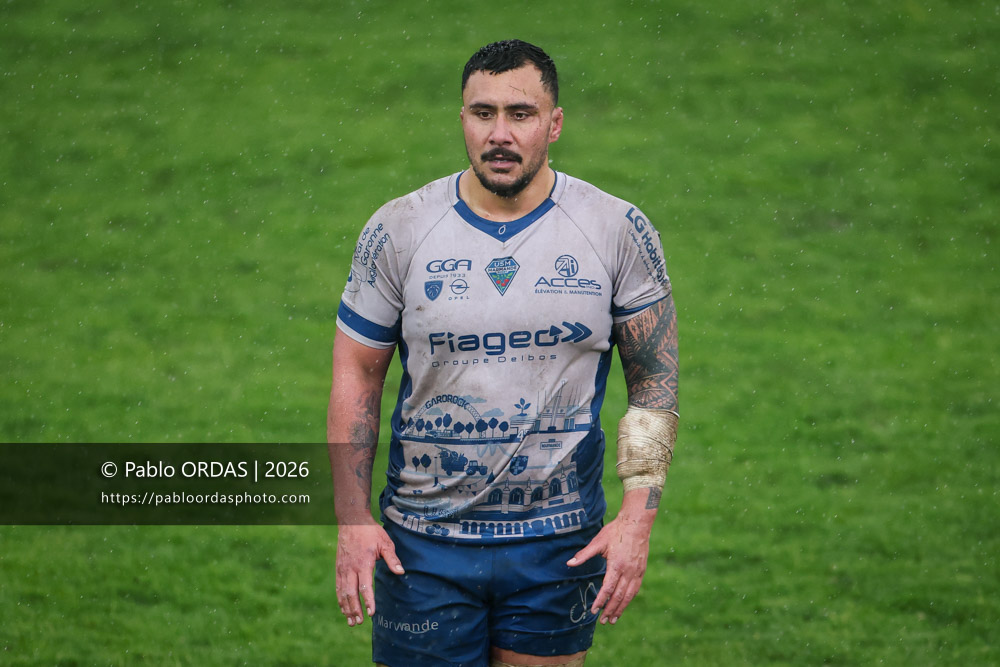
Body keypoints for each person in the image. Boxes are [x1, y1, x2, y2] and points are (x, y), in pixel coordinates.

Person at [328, 39, 679, 667]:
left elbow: (654, 380)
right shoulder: (399, 229)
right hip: (423, 543)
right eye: (482, 113)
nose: (500, 134)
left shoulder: (616, 230)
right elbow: (357, 374)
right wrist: (352, 519)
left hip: (558, 544)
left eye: (521, 114)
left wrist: (637, 519)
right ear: (462, 119)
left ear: (555, 123)